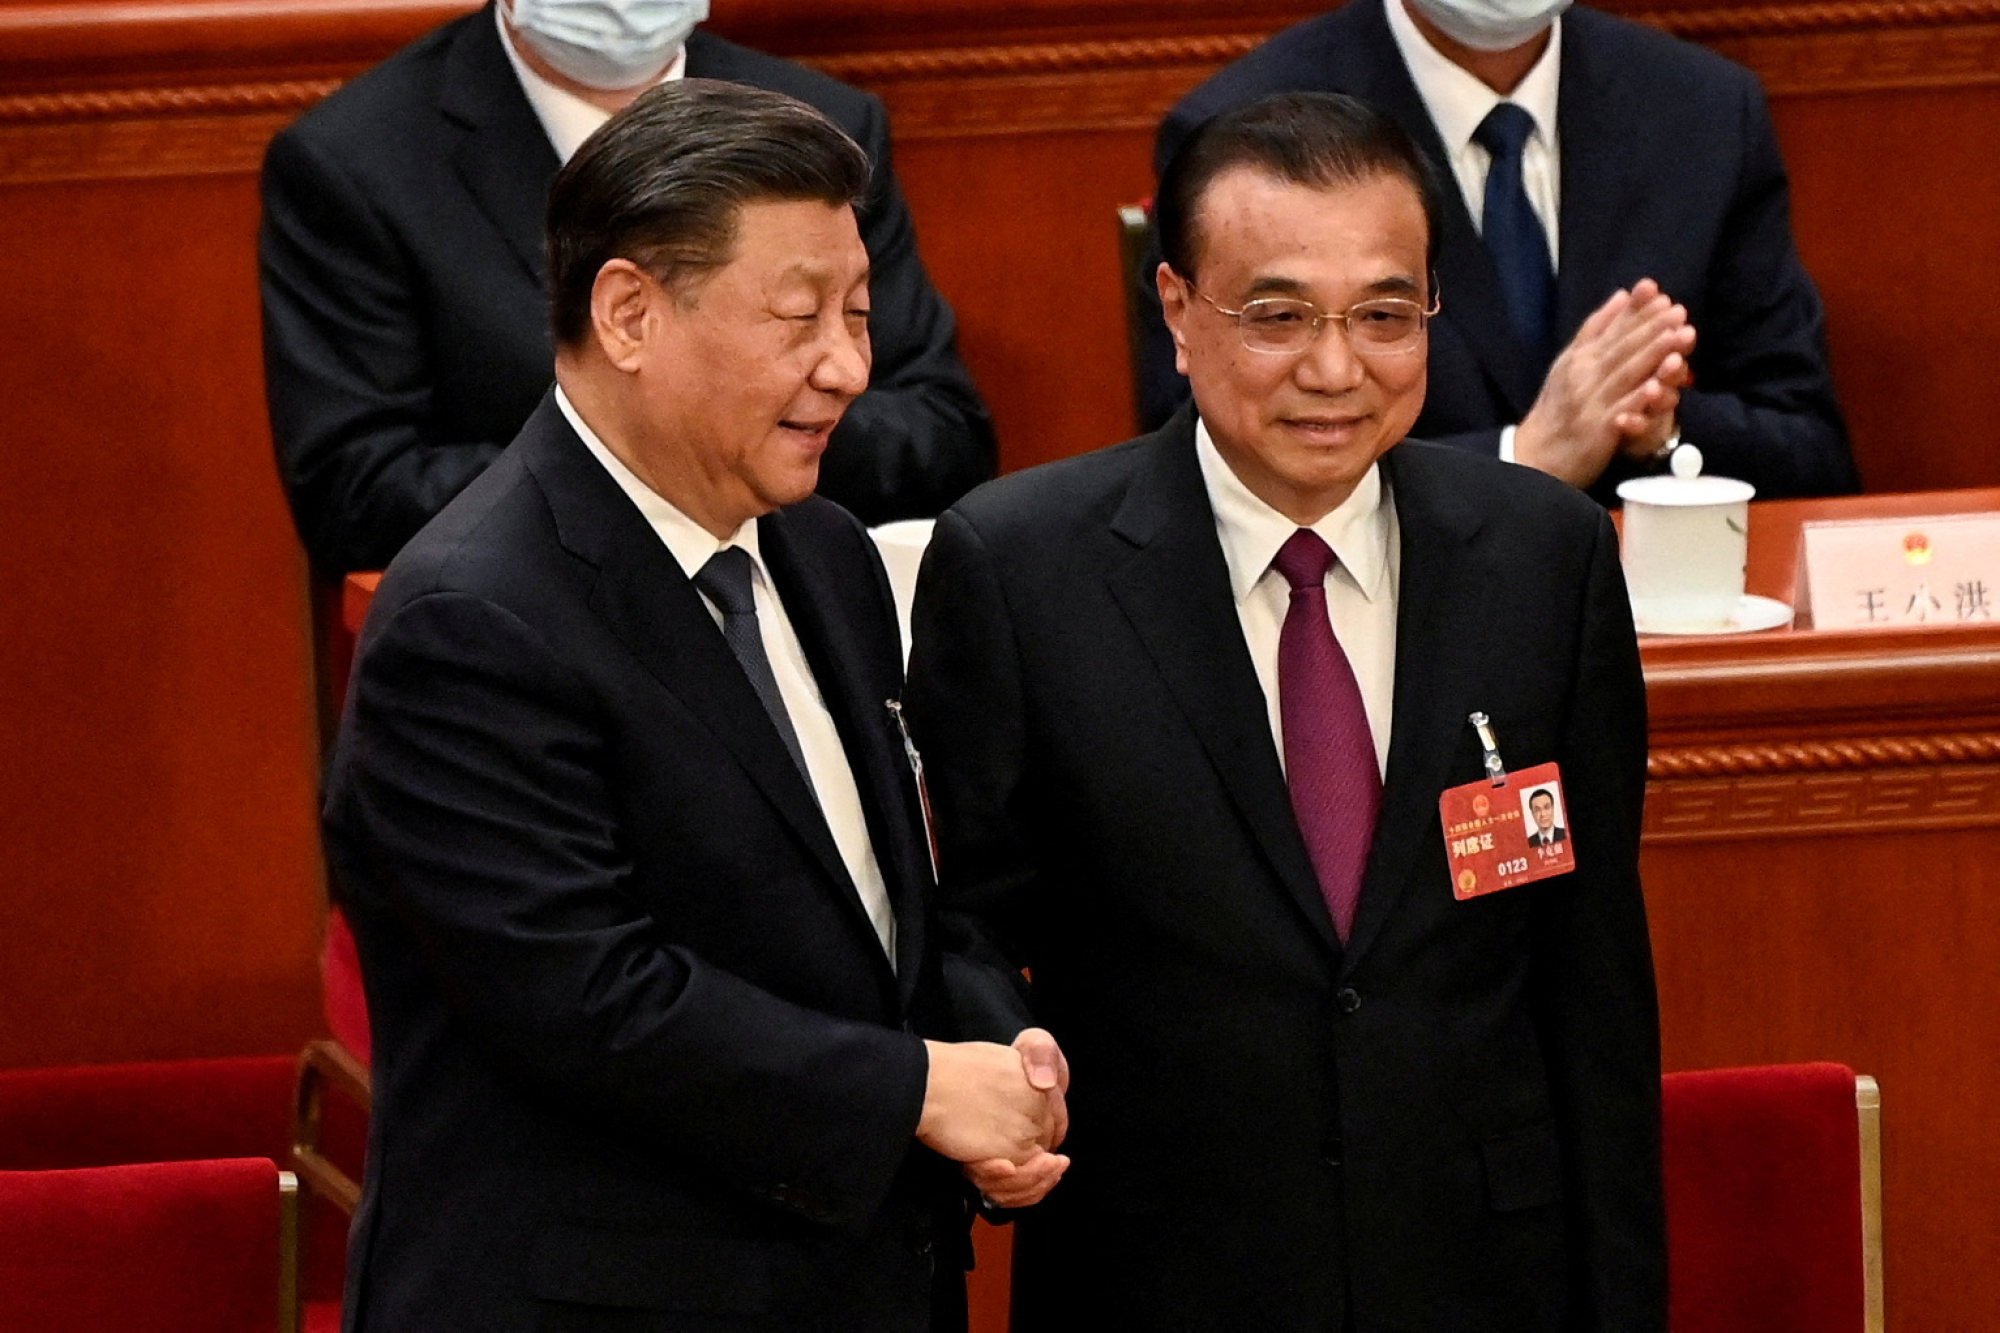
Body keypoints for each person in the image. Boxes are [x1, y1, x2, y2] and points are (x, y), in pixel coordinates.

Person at [907, 92, 1663, 1330]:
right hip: (1161, 1271)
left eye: (1381, 315)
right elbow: (965, 920)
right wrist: (1012, 1070)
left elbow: (1591, 984)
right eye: (1275, 316)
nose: (1333, 369)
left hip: (1484, 1271)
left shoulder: (1545, 558)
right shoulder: (1020, 566)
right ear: (1176, 311)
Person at [323, 81, 1064, 1330]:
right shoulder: (471, 616)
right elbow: (588, 1000)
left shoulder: (821, 552)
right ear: (627, 313)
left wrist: (996, 1059)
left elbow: (883, 911)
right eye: (797, 318)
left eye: (859, 313)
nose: (849, 365)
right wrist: (912, 1092)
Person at [262, 0, 995, 574]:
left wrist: (749, 433)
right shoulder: (355, 162)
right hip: (530, 617)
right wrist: (664, 462)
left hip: (792, 589)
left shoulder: (826, 124)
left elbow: (942, 435)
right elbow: (357, 494)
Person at [1134, 0, 1857, 504]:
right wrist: (1525, 456)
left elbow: (1811, 454)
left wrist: (1651, 422)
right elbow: (1203, 461)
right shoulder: (1241, 135)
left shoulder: (1703, 109)